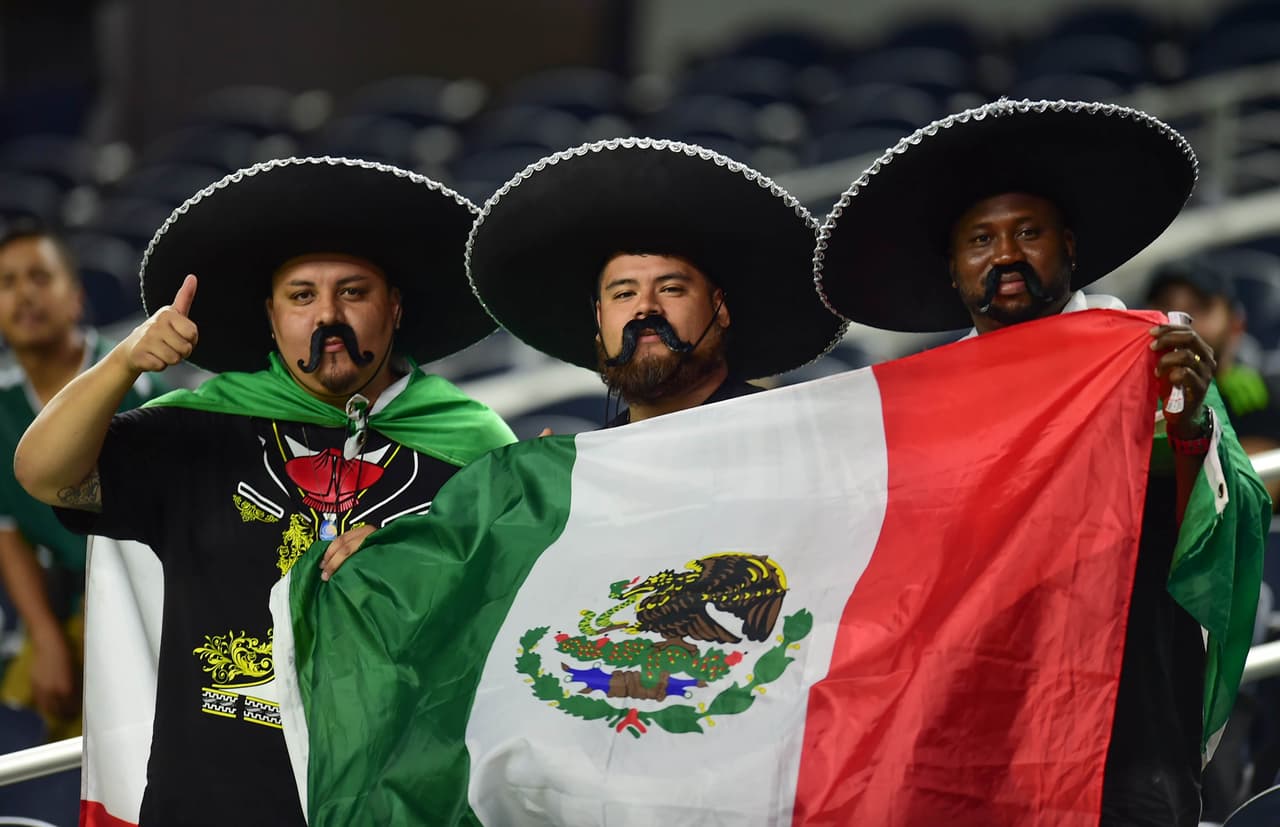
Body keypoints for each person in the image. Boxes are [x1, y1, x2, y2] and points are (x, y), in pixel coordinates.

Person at [13, 157, 516, 827]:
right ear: (272, 318)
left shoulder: (474, 442)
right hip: (216, 801)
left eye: (354, 291)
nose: (328, 314)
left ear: (394, 307)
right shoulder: (199, 431)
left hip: (402, 802)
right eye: (302, 295)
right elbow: (42, 472)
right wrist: (124, 360)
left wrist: (429, 552)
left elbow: (519, 607)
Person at [812, 98, 1271, 827]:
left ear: (1070, 245)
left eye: (1028, 233)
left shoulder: (1147, 357)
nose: (1005, 256)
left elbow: (1228, 521)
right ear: (954, 271)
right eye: (979, 241)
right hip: (969, 744)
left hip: (1123, 733)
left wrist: (1187, 425)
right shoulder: (923, 403)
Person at [466, 138, 847, 427]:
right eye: (624, 293)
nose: (645, 307)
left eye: (671, 289)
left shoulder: (788, 441)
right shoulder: (573, 479)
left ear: (721, 310)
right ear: (599, 322)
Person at [0, 221, 164, 742]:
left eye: (38, 277)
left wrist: (105, 631)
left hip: (152, 597)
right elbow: (8, 533)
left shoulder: (137, 381)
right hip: (68, 605)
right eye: (6, 282)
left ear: (75, 299)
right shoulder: (1, 407)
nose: (23, 293)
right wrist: (46, 636)